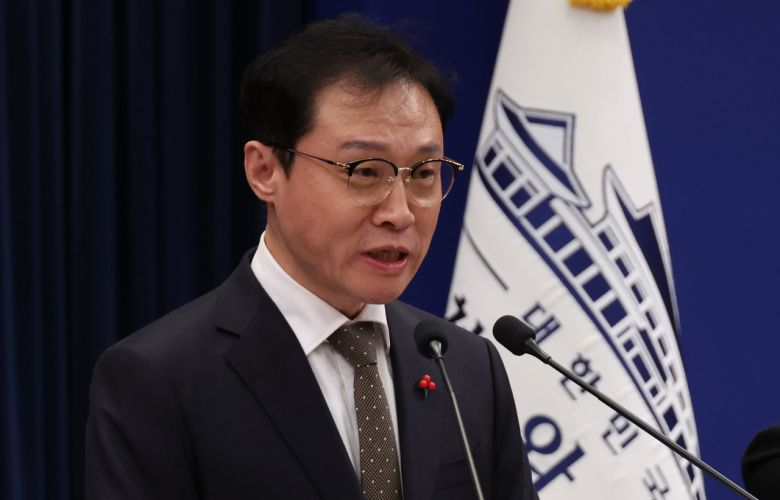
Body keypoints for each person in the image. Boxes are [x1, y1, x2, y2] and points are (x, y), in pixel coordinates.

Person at [85, 14, 537, 500]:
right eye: (365, 171)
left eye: (424, 173)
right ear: (265, 171)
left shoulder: (468, 368)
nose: (400, 213)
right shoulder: (159, 380)